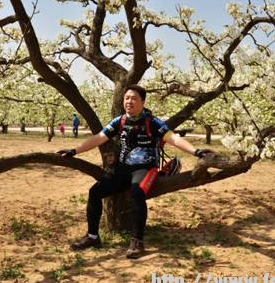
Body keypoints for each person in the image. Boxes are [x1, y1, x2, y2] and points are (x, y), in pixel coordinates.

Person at [57, 85, 212, 259]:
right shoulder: (119, 121)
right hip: (122, 170)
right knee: (95, 192)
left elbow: (174, 138)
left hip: (146, 169)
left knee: (137, 192)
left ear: (143, 102)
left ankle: (137, 241)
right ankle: (93, 236)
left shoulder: (152, 122)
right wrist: (74, 150)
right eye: (127, 98)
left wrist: (196, 151)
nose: (129, 101)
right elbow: (99, 138)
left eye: (134, 98)